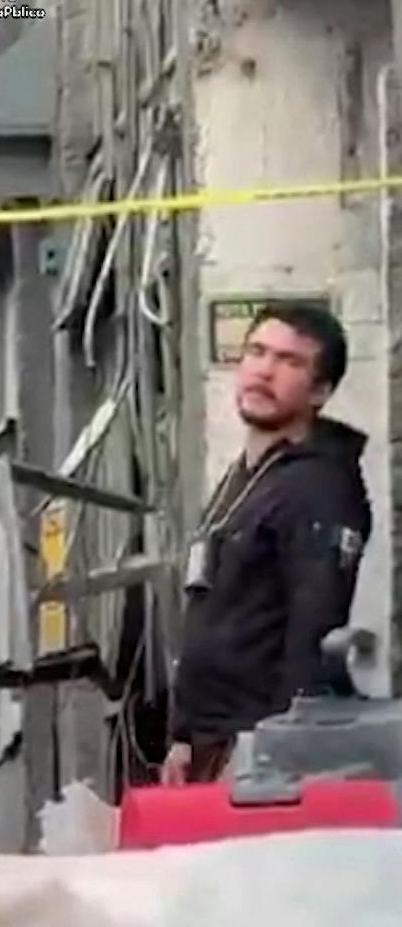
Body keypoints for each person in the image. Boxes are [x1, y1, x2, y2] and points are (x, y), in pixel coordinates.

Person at [162, 303, 371, 785]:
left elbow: (313, 632)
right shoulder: (250, 476)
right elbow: (211, 614)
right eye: (256, 351)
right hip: (209, 745)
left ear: (320, 391)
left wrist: (274, 755)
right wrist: (183, 734)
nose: (265, 370)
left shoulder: (320, 487)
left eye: (290, 361)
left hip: (256, 752)